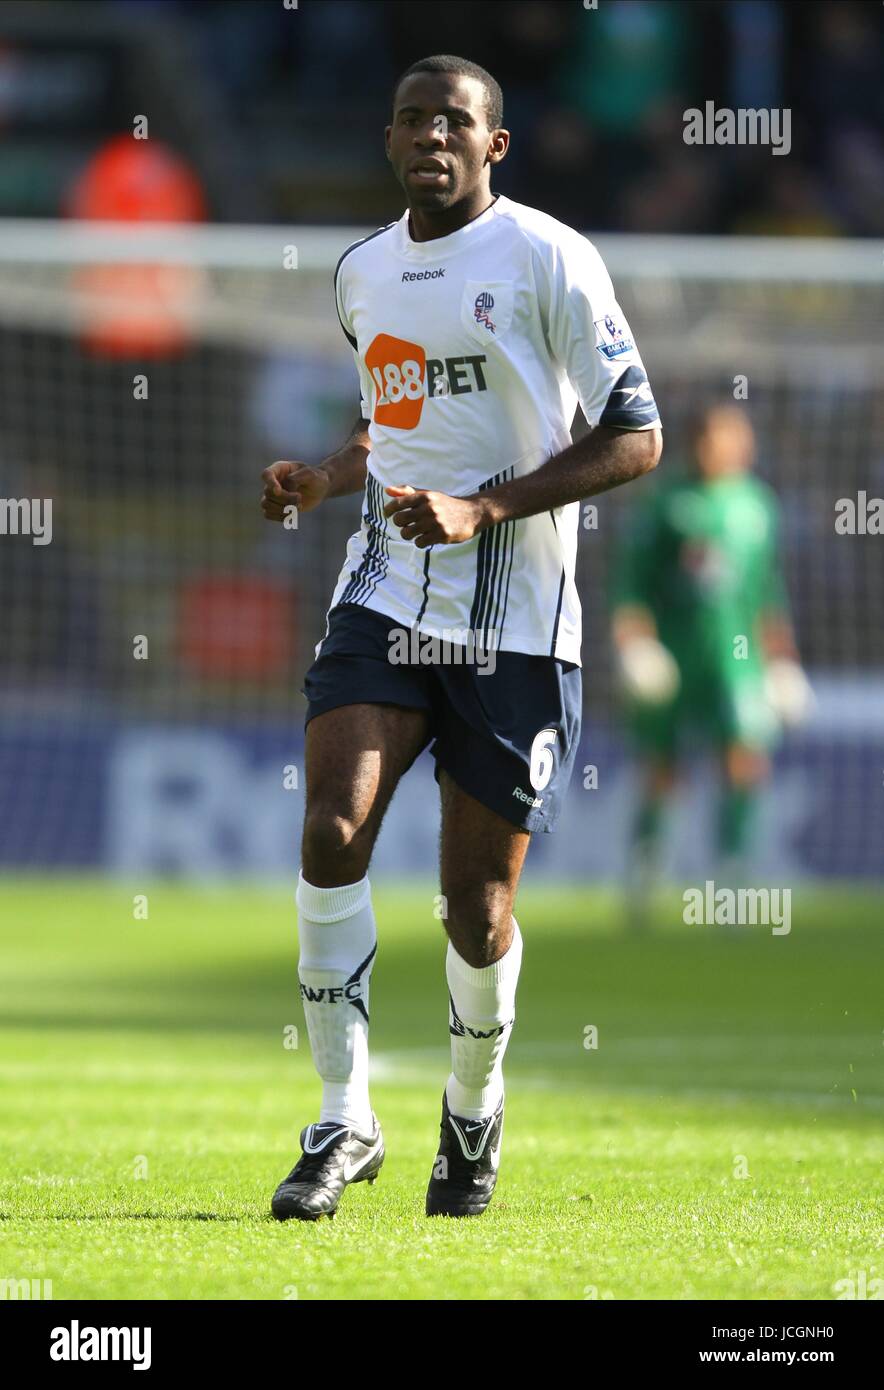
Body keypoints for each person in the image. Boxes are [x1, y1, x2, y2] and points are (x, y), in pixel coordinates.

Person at [261, 54, 662, 1220]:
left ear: (496, 145)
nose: (430, 133)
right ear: (388, 142)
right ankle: (342, 1119)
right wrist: (323, 478)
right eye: (411, 118)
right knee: (332, 827)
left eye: (456, 119)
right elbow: (390, 420)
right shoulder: (360, 272)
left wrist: (485, 506)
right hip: (385, 593)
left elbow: (635, 436)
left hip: (518, 626)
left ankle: (472, 1108)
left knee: (474, 909)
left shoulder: (548, 257)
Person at [611, 402, 812, 925]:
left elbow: (767, 591)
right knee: (663, 768)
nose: (728, 448)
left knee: (743, 759)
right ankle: (646, 872)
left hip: (737, 662)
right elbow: (633, 583)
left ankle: (732, 873)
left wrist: (782, 660)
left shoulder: (757, 505)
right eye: (718, 438)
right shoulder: (666, 501)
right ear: (699, 442)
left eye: (736, 438)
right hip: (678, 658)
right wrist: (635, 643)